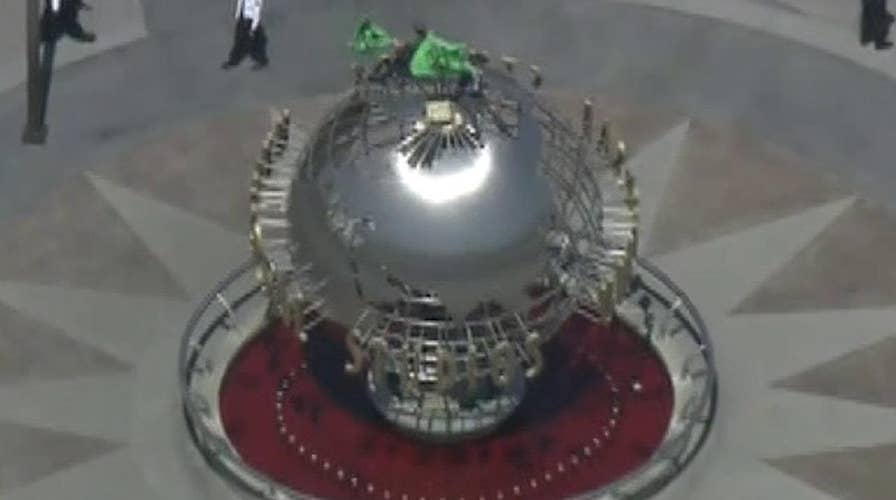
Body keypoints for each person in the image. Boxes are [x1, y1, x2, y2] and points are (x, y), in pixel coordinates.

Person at [222, 0, 268, 70]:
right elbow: (240, 3)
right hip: (242, 19)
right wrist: (237, 16)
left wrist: (253, 28)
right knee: (239, 41)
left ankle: (261, 61)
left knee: (252, 43)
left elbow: (256, 12)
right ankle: (233, 61)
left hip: (250, 21)